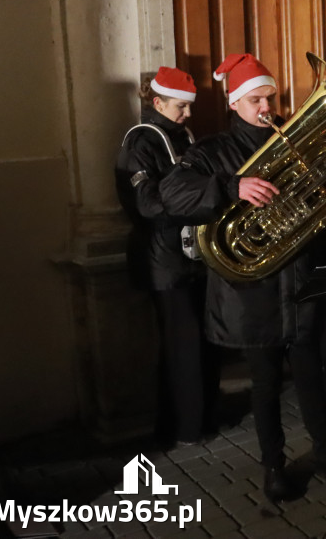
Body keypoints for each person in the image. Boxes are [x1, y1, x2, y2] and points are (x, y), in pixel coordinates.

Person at [160, 53, 326, 503]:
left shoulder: (298, 139)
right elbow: (171, 192)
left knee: (313, 374)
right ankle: (274, 467)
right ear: (235, 103)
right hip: (252, 290)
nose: (267, 108)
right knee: (265, 384)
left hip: (300, 279)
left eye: (271, 98)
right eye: (256, 100)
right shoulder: (212, 151)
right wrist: (233, 186)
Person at [114, 66, 218, 447]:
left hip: (188, 256)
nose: (188, 114)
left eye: (188, 107)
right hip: (163, 260)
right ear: (157, 103)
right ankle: (183, 428)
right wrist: (203, 197)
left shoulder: (181, 135)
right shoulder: (140, 142)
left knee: (199, 344)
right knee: (181, 347)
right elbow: (147, 205)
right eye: (180, 107)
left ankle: (200, 419)